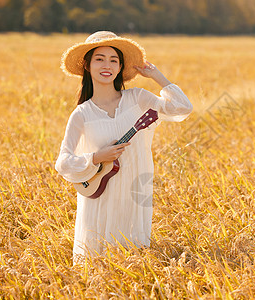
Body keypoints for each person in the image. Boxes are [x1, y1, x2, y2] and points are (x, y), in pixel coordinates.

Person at [55, 31, 193, 262]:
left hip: (134, 194)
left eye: (113, 60)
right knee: (96, 264)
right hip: (98, 197)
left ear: (120, 67)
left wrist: (157, 77)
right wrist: (96, 157)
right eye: (99, 59)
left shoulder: (138, 99)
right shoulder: (82, 114)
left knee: (133, 261)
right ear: (87, 65)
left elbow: (182, 108)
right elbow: (63, 163)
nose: (107, 65)